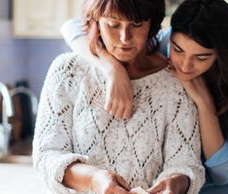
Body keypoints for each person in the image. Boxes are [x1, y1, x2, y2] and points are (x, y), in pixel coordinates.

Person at [60, 0, 228, 193]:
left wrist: (204, 104)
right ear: (170, 37)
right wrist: (111, 68)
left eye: (201, 57)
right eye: (178, 50)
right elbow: (73, 27)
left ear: (221, 53)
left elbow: (224, 175)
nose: (185, 65)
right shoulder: (159, 44)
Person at [32, 0, 205, 194]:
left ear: (152, 24)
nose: (125, 38)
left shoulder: (174, 83)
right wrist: (93, 180)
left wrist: (175, 183)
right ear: (95, 22)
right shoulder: (67, 72)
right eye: (113, 25)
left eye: (137, 24)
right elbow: (46, 156)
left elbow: (187, 164)